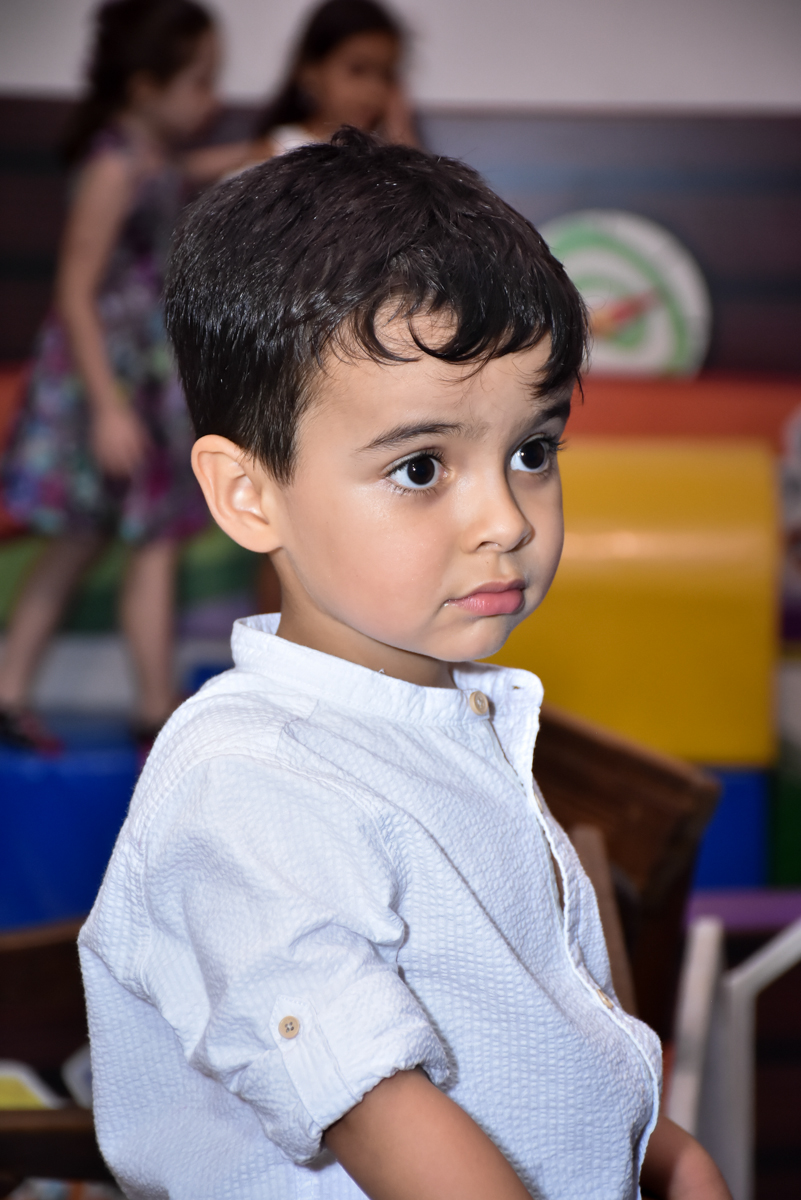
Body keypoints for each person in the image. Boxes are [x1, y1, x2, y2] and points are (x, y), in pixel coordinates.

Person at [79, 130, 731, 1199]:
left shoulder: (450, 725)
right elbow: (378, 1106)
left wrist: (660, 1146)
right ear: (250, 495)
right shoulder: (250, 781)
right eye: (422, 466)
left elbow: (531, 1022)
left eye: (533, 449)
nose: (505, 521)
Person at [0, 0, 261, 751]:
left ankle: (152, 706)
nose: (210, 100)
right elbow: (74, 293)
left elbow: (184, 170)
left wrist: (265, 147)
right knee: (82, 540)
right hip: (101, 387)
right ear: (147, 87)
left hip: (143, 380)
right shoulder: (112, 165)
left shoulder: (147, 157)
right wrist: (110, 408)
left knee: (152, 537)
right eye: (199, 82)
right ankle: (17, 693)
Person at [256, 0, 417, 156]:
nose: (374, 90)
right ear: (310, 72)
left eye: (386, 75)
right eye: (358, 70)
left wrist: (401, 132)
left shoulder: (379, 156)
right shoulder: (281, 151)